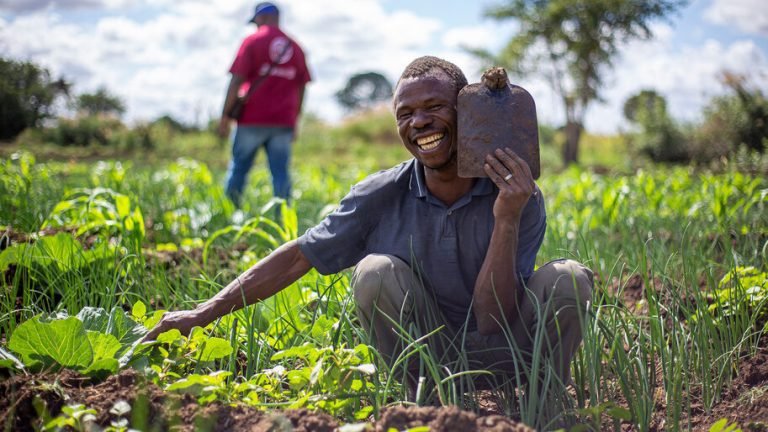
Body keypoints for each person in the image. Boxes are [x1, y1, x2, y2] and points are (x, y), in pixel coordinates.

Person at [149, 56, 592, 404]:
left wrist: (506, 216)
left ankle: (541, 404)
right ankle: (420, 403)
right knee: (374, 270)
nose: (418, 122)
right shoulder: (380, 193)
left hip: (512, 353)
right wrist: (200, 314)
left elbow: (493, 320)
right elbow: (300, 255)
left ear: (467, 109)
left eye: (435, 107)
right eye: (406, 113)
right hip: (429, 359)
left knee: (569, 276)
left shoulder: (517, 194)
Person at [219, 2, 311, 206]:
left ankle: (230, 213)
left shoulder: (252, 41)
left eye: (256, 21)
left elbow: (236, 80)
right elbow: (302, 86)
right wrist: (295, 119)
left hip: (251, 119)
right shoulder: (295, 47)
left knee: (239, 169)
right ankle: (283, 219)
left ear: (262, 18)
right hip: (283, 122)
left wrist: (225, 115)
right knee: (280, 173)